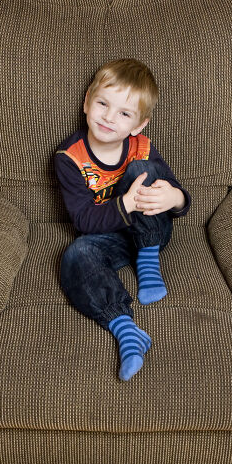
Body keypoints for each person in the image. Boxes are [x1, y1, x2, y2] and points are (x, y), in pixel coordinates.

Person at [55, 59, 191, 381]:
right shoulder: (69, 158)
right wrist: (124, 204)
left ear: (138, 124)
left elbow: (171, 190)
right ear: (88, 101)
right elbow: (84, 219)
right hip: (109, 237)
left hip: (152, 231)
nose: (108, 117)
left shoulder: (141, 147)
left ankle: (148, 262)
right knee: (75, 254)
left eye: (124, 113)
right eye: (103, 103)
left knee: (142, 172)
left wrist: (176, 198)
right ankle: (127, 331)